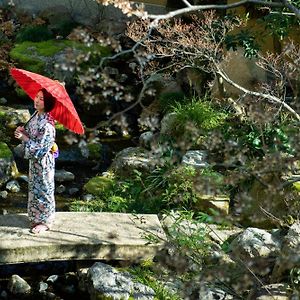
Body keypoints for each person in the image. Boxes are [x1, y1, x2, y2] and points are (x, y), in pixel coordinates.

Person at [14, 88, 56, 234]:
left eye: (42, 99)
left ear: (48, 103)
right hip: (35, 163)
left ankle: (46, 222)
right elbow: (32, 137)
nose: (37, 100)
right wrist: (23, 132)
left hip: (44, 163)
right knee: (34, 189)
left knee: (44, 190)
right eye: (37, 97)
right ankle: (35, 218)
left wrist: (24, 138)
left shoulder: (48, 125)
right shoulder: (36, 115)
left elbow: (39, 149)